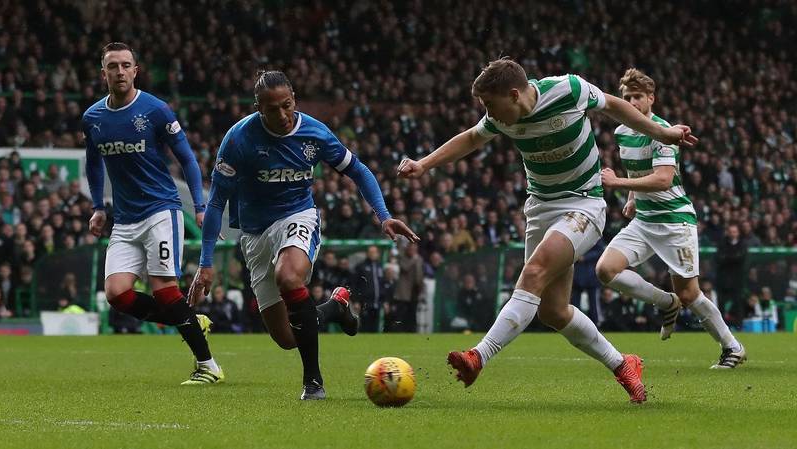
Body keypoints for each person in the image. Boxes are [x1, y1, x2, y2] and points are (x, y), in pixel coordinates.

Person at [399, 58, 697, 403]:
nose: (488, 113)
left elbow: (614, 106)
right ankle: (623, 364)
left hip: (584, 204)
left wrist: (662, 133)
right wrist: (424, 164)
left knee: (534, 272)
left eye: (490, 104)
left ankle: (478, 356)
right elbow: (470, 138)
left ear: (514, 95)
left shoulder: (568, 89)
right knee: (553, 311)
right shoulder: (501, 117)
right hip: (540, 207)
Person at [188, 70, 419, 400]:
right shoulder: (239, 139)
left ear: (294, 99)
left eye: (287, 105)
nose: (283, 115)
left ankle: (313, 382)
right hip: (254, 234)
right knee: (286, 337)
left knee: (288, 276)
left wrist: (383, 216)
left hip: (297, 216)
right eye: (273, 109)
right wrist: (205, 262)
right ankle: (335, 307)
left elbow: (358, 170)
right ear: (258, 107)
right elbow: (215, 203)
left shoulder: (315, 133)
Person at [82, 42, 222, 385]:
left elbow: (186, 158)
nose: (119, 71)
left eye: (125, 65)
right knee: (117, 293)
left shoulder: (156, 110)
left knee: (164, 290)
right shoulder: (93, 118)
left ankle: (208, 366)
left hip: (161, 211)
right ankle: (189, 319)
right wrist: (98, 207)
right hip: (124, 219)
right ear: (103, 73)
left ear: (135, 70)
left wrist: (199, 207)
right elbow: (93, 163)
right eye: (112, 66)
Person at [596, 68, 745, 369]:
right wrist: (632, 198)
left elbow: (663, 179)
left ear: (651, 98)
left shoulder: (664, 132)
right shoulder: (622, 132)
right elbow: (638, 170)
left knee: (689, 293)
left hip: (674, 221)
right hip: (644, 221)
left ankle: (732, 347)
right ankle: (666, 302)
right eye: (627, 97)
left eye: (638, 97)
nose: (632, 103)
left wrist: (617, 183)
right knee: (605, 270)